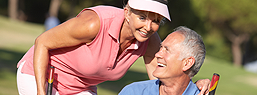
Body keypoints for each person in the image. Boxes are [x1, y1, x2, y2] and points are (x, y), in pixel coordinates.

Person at [16, 0, 210, 95]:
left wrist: (193, 86)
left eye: (156, 21)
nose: (148, 27)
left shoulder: (150, 40)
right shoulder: (95, 23)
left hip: (80, 88)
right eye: (142, 17)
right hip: (41, 76)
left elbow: (161, 80)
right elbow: (42, 42)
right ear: (127, 12)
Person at [119, 26, 206, 95]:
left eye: (167, 50)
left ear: (187, 63)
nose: (157, 54)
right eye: (161, 48)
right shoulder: (133, 92)